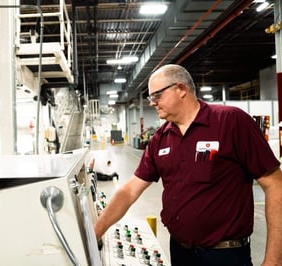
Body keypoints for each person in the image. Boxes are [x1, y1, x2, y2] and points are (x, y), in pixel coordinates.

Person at [94, 64, 282, 266]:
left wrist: (274, 260)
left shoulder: (231, 122)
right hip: (181, 253)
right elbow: (130, 191)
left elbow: (274, 184)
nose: (152, 103)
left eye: (156, 95)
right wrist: (95, 232)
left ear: (181, 89)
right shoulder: (160, 138)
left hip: (225, 256)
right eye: (150, 98)